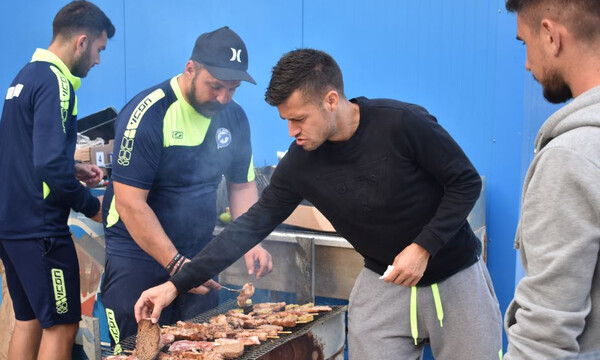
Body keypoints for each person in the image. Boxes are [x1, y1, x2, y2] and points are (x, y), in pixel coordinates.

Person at [134, 48, 503, 359]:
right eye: (286, 121)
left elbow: (464, 182)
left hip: (454, 277)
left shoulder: (402, 123)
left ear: (331, 101)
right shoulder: (300, 162)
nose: (292, 131)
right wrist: (175, 285)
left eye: (299, 119)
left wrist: (423, 248)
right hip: (383, 281)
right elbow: (249, 226)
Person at [100, 26, 273, 352]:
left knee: (203, 349)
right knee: (137, 352)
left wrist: (253, 243)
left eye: (233, 89)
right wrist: (178, 267)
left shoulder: (234, 118)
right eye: (215, 86)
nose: (223, 97)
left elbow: (242, 186)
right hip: (138, 259)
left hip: (198, 257)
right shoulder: (150, 113)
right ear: (190, 69)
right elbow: (130, 204)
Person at [0, 1, 115, 359]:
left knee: (30, 320)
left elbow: (24, 153)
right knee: (62, 325)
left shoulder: (24, 76)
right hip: (42, 231)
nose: (98, 60)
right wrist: (88, 204)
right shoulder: (57, 82)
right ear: (82, 41)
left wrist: (73, 167)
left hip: (12, 225)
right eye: (99, 49)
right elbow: (48, 163)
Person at [503, 0, 600, 358]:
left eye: (524, 43)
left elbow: (544, 336)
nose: (528, 63)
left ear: (550, 36)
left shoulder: (571, 157)